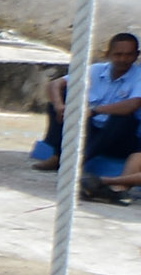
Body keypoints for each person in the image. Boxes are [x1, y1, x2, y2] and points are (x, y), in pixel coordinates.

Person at [34, 32, 141, 183]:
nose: (123, 59)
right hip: (90, 129)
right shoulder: (96, 70)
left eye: (129, 55)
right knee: (60, 102)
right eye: (118, 54)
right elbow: (55, 84)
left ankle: (81, 160)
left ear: (137, 55)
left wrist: (93, 111)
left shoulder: (138, 76)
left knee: (123, 119)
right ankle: (58, 155)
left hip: (118, 138)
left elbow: (133, 104)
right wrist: (60, 106)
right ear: (108, 54)